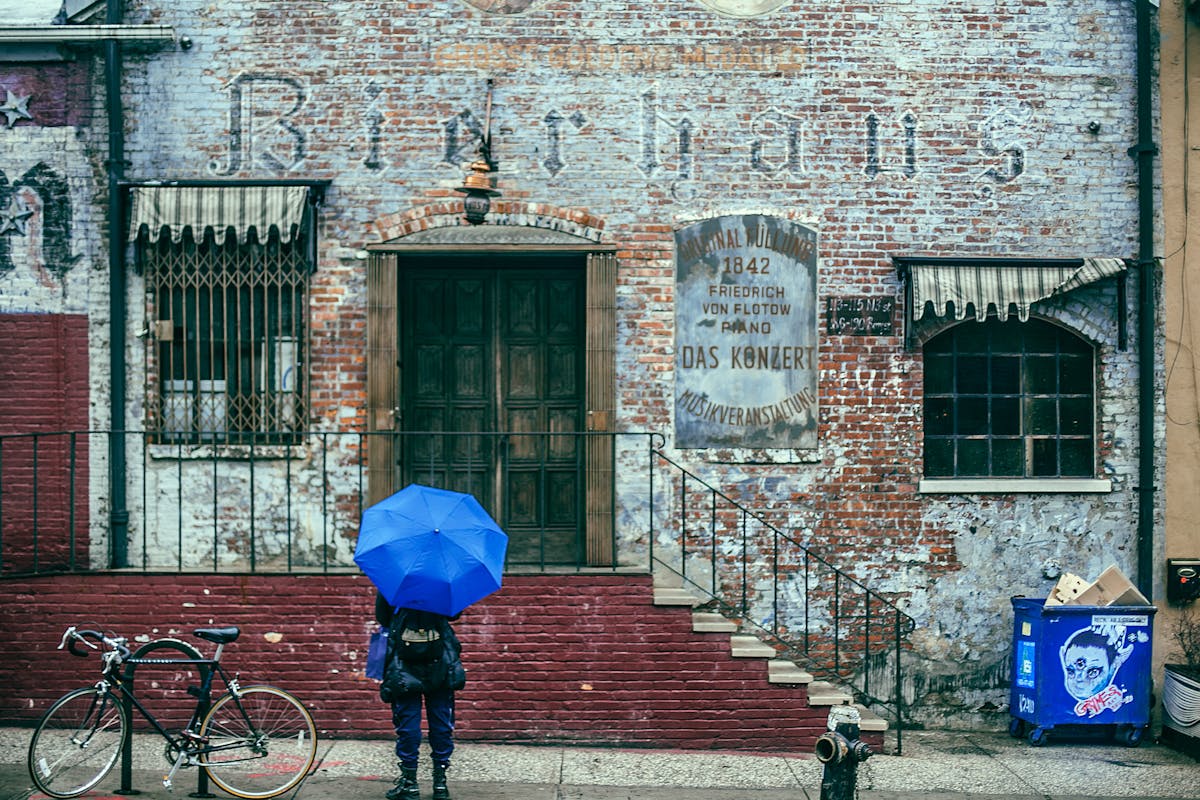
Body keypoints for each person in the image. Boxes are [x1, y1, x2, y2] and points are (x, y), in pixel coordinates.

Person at [376, 592, 465, 800]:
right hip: (440, 662)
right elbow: (455, 614)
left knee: (408, 722)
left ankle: (409, 784)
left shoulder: (394, 584)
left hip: (403, 665)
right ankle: (440, 784)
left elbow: (383, 618)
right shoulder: (443, 582)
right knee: (441, 721)